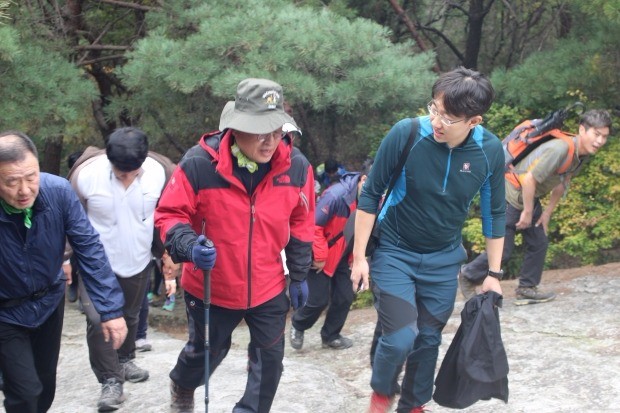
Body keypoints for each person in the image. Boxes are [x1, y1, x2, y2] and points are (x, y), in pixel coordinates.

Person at [350, 67, 506, 413]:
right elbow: (370, 194)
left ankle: (413, 404)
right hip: (394, 250)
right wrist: (359, 257)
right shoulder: (407, 133)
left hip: (443, 258)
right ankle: (381, 391)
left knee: (428, 340)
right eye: (434, 109)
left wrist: (493, 274)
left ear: (474, 120)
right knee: (402, 336)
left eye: (448, 118)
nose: (436, 121)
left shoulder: (489, 151)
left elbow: (494, 214)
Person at [155, 78, 315, 413]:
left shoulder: (296, 166)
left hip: (268, 285)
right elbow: (169, 214)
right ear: (236, 128)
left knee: (270, 361)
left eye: (276, 130)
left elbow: (302, 221)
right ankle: (184, 385)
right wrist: (188, 246)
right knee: (207, 353)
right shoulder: (200, 163)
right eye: (260, 131)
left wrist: (299, 275)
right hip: (212, 286)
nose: (271, 141)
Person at [0, 131, 127, 413]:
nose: (24, 190)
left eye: (31, 177)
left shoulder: (58, 192)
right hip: (5, 312)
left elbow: (89, 247)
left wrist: (110, 310)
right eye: (11, 181)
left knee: (45, 385)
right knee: (25, 392)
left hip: (48, 302)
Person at [68, 127, 174, 411]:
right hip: (96, 264)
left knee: (128, 316)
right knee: (99, 319)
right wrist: (65, 258)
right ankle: (110, 381)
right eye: (119, 173)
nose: (125, 178)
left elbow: (168, 216)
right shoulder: (86, 176)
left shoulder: (160, 172)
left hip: (138, 259)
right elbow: (68, 220)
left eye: (132, 173)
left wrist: (167, 255)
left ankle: (125, 361)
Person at [459, 109, 612, 304]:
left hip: (527, 197)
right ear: (583, 130)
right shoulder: (561, 149)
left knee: (539, 241)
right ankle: (468, 275)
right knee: (503, 250)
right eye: (596, 134)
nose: (599, 141)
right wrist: (528, 212)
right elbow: (529, 179)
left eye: (604, 137)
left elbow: (562, 182)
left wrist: (546, 213)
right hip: (507, 194)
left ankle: (526, 288)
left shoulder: (579, 154)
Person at [290, 161, 372, 351]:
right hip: (322, 253)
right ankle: (298, 325)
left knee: (345, 296)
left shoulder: (374, 202)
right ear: (364, 179)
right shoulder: (336, 196)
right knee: (317, 301)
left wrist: (359, 259)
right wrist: (319, 255)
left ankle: (331, 335)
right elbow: (314, 225)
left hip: (346, 256)